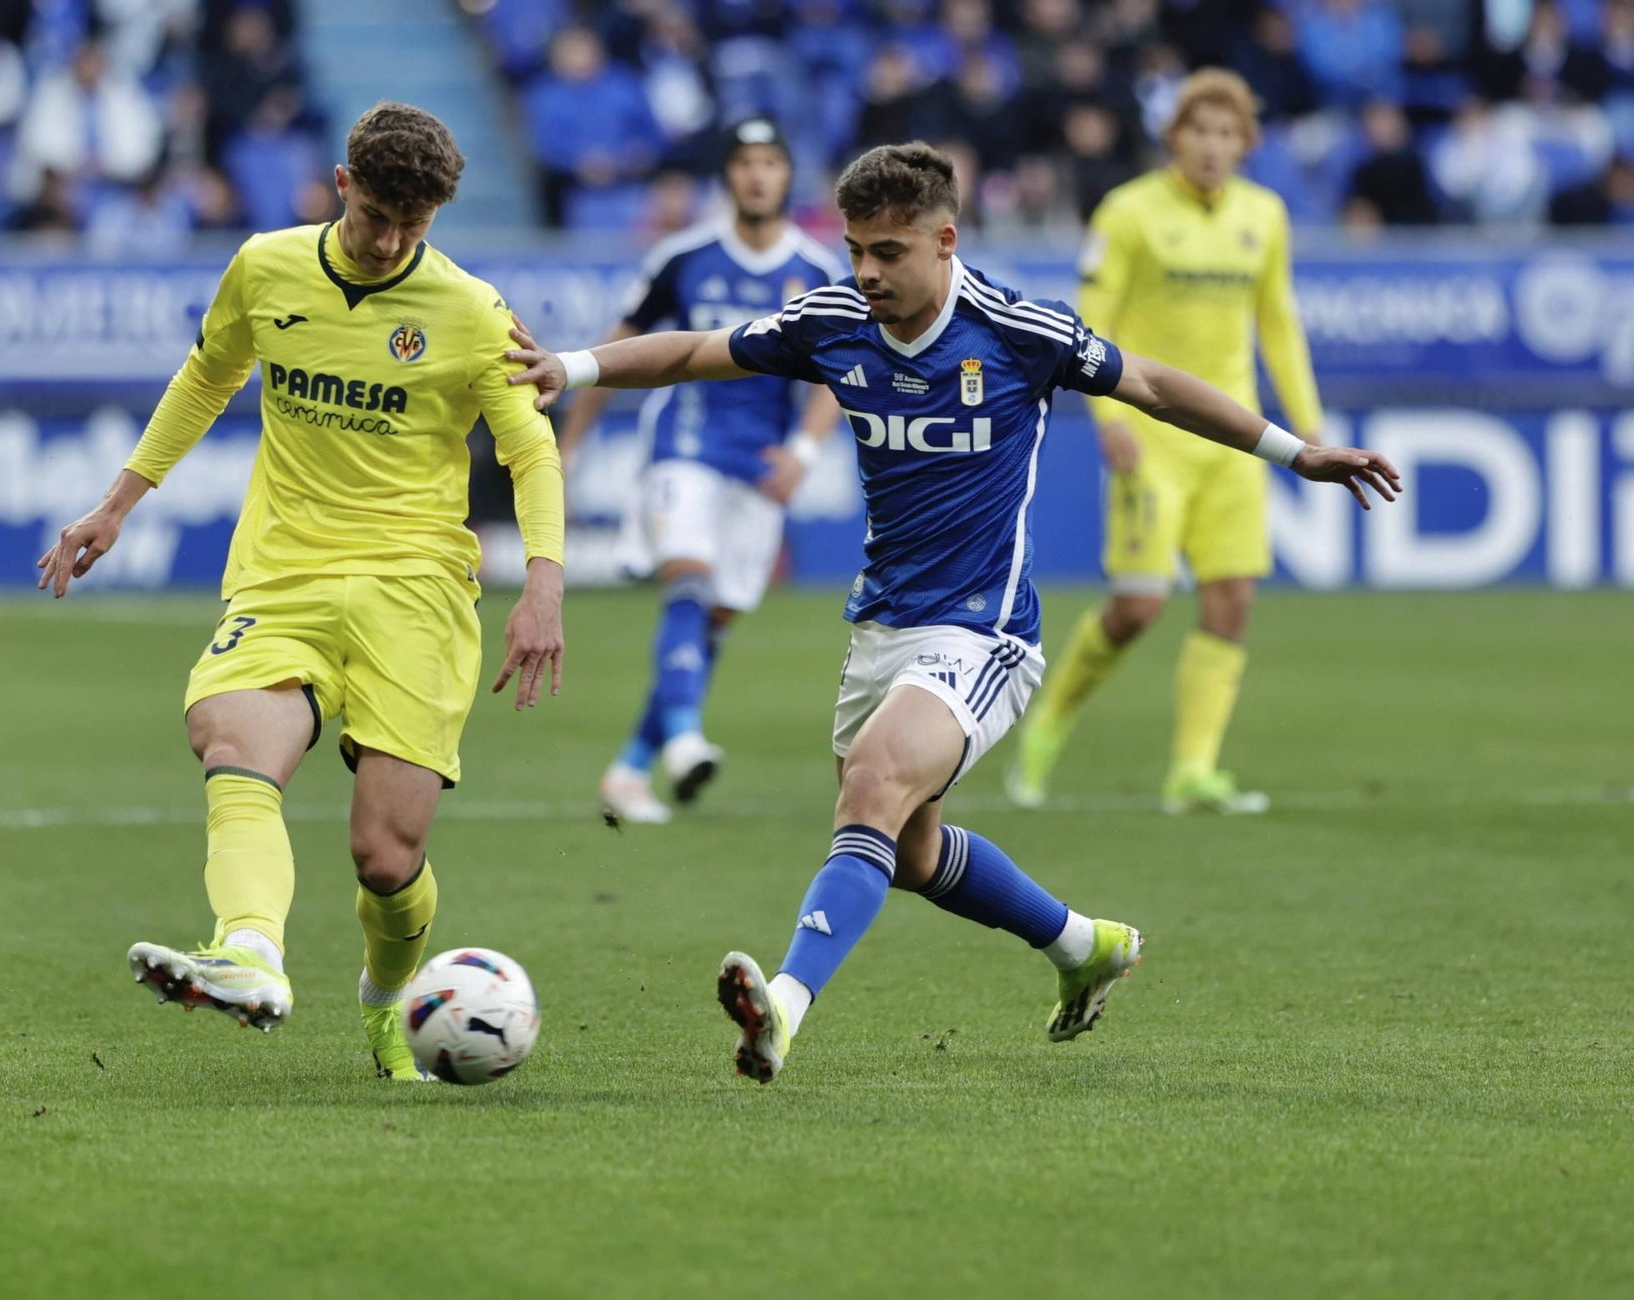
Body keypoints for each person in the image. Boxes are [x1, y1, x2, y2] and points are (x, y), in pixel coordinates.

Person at [505, 142, 1397, 1082]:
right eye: (855, 249)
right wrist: (574, 365)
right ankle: (1082, 946)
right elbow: (693, 351)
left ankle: (785, 1007)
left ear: (945, 239)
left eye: (888, 252)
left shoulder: (1017, 329)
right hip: (883, 626)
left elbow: (1157, 386)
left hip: (988, 631)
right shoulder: (833, 320)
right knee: (909, 846)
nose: (866, 272)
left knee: (874, 786)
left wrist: (1298, 453)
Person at [37, 103, 566, 1081]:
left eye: (415, 225)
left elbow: (529, 450)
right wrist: (117, 503)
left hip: (416, 590)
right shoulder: (265, 267)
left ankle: (381, 1007)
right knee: (231, 739)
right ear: (338, 185)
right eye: (376, 217)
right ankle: (249, 953)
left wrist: (542, 584)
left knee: (384, 856)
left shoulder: (470, 311)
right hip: (283, 573)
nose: (392, 241)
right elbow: (207, 376)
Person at [1009, 69, 1327, 815]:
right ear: (1172, 137)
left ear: (1245, 143)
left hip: (1235, 438)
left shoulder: (1265, 215)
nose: (1212, 146)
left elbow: (1277, 321)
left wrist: (1306, 424)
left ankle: (1193, 770)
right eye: (1198, 131)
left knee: (1231, 600)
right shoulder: (1129, 214)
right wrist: (1111, 420)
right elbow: (1094, 315)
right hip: (1152, 435)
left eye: (1227, 133)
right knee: (1138, 608)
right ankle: (1051, 719)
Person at [559, 118, 844, 825]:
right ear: (727, 176)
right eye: (745, 162)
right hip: (683, 448)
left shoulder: (816, 269)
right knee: (687, 581)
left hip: (758, 467)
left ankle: (629, 769)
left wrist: (805, 452)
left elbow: (837, 376)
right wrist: (569, 445)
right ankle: (684, 738)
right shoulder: (682, 258)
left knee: (714, 619)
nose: (757, 175)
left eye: (770, 162)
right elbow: (618, 352)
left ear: (787, 175)